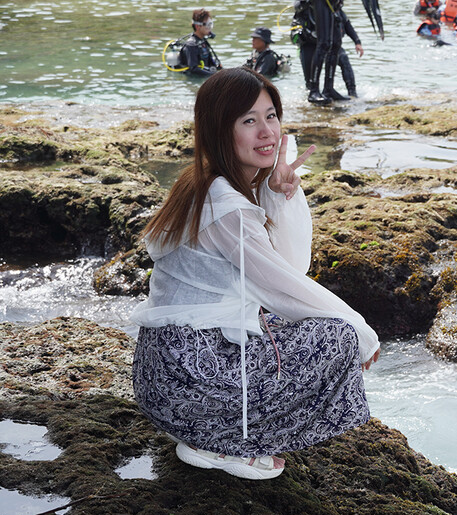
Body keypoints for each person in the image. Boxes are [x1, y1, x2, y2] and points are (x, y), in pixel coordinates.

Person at [131, 67, 381, 481]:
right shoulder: (227, 206)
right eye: (248, 120)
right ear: (219, 130)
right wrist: (362, 331)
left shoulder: (206, 183)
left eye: (271, 116)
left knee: (296, 324)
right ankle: (222, 441)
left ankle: (213, 432)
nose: (267, 132)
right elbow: (282, 285)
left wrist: (277, 194)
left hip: (169, 373)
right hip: (189, 382)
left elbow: (288, 265)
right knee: (337, 336)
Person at [180, 9, 222, 78]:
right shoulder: (191, 45)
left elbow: (211, 62)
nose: (210, 28)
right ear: (197, 26)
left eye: (210, 24)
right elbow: (193, 69)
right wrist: (214, 76)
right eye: (207, 25)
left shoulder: (203, 42)